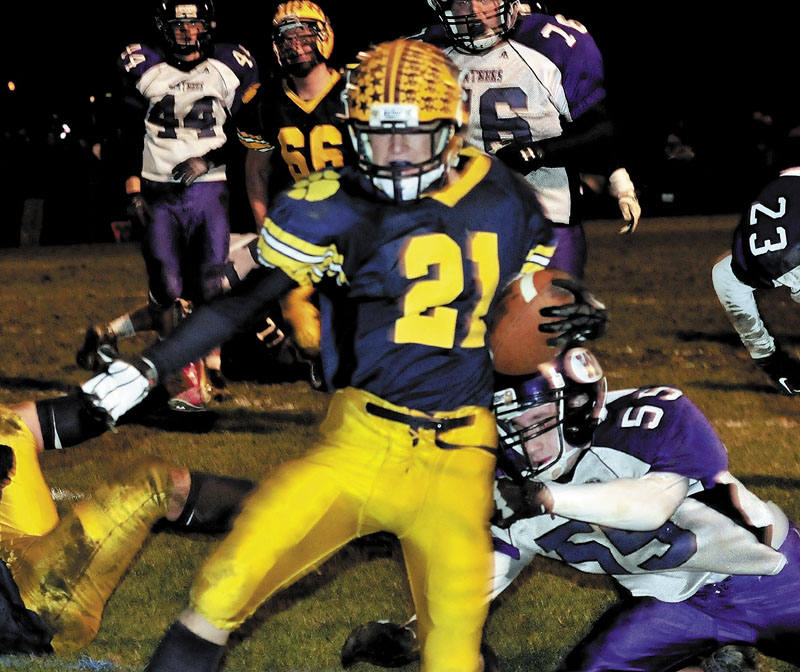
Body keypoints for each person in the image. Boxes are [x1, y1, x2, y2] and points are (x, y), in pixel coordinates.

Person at [79, 39, 607, 671]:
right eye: (382, 137)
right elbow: (240, 304)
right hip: (360, 443)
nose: (397, 154)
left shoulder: (503, 198)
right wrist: (149, 366)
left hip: (461, 457)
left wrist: (572, 308)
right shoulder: (329, 200)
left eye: (413, 137)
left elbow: (521, 312)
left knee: (451, 654)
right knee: (221, 588)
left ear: (454, 129)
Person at [340, 347, 799, 672]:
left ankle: (715, 656)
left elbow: (650, 506)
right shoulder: (509, 485)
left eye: (536, 421)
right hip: (672, 603)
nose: (524, 441)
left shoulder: (652, 419)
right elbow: (486, 572)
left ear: (579, 403)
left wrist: (546, 498)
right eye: (507, 426)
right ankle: (708, 659)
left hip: (769, 578)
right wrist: (416, 632)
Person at [0, 391, 254, 655]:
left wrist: (119, 397)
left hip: (10, 545)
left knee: (6, 423)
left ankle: (135, 398)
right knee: (150, 483)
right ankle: (287, 509)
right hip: (29, 602)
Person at [418, 0, 641, 277]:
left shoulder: (550, 45)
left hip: (548, 220)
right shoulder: (423, 55)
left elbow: (600, 129)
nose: (476, 12)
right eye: (463, 2)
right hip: (460, 221)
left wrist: (537, 153)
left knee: (545, 315)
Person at [115, 0, 259, 410]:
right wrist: (131, 188)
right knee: (167, 286)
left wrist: (209, 160)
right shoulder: (144, 68)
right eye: (178, 25)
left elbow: (245, 132)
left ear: (206, 26)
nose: (185, 32)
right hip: (159, 189)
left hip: (210, 188)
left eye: (193, 24)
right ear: (165, 29)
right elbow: (125, 130)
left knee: (210, 283)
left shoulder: (229, 67)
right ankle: (172, 359)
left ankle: (205, 366)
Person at [236, 0, 353, 361]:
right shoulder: (264, 101)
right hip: (302, 226)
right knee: (304, 332)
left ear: (324, 36)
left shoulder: (358, 90)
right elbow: (257, 170)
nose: (295, 45)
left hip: (360, 222)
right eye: (286, 40)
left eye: (304, 35)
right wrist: (264, 228)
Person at [712, 127, 800, 395]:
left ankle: (773, 364)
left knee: (723, 272)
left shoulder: (770, 189)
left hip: (762, 264)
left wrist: (769, 360)